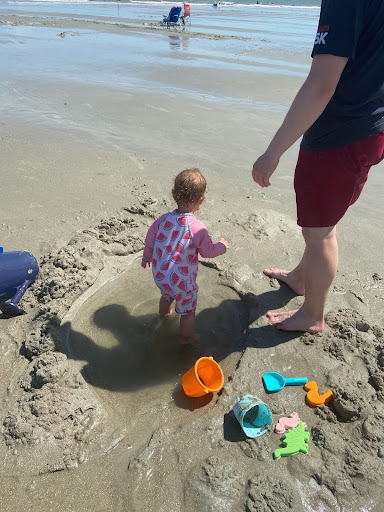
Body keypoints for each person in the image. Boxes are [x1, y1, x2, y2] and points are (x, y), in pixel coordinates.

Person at [252, 0, 384, 334]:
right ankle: (299, 278)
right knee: (323, 219)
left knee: (320, 230)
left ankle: (313, 315)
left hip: (340, 133)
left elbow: (320, 85)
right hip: (370, 127)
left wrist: (273, 152)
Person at [142, 168, 229, 344]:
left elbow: (150, 238)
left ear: (173, 194)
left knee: (166, 296)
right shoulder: (197, 227)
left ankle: (163, 317)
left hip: (160, 274)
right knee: (188, 311)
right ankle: (184, 338)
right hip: (181, 281)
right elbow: (207, 251)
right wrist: (222, 246)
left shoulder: (163, 219)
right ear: (201, 200)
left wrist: (146, 257)